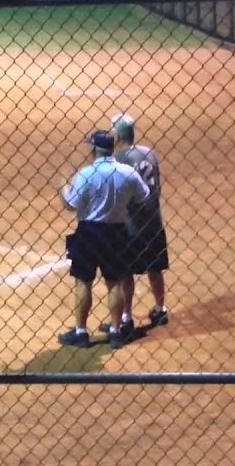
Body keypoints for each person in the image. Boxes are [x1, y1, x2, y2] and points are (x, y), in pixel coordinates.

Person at [58, 129, 151, 349]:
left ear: (95, 150)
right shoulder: (127, 172)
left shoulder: (86, 174)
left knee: (83, 281)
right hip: (117, 231)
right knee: (115, 282)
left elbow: (71, 205)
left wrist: (62, 188)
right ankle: (117, 331)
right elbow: (144, 196)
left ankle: (81, 332)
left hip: (89, 232)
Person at [109, 114, 171, 333]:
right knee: (155, 268)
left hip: (130, 224)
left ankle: (126, 317)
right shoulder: (149, 153)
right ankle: (160, 308)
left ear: (117, 134)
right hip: (153, 220)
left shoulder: (118, 160)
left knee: (126, 271)